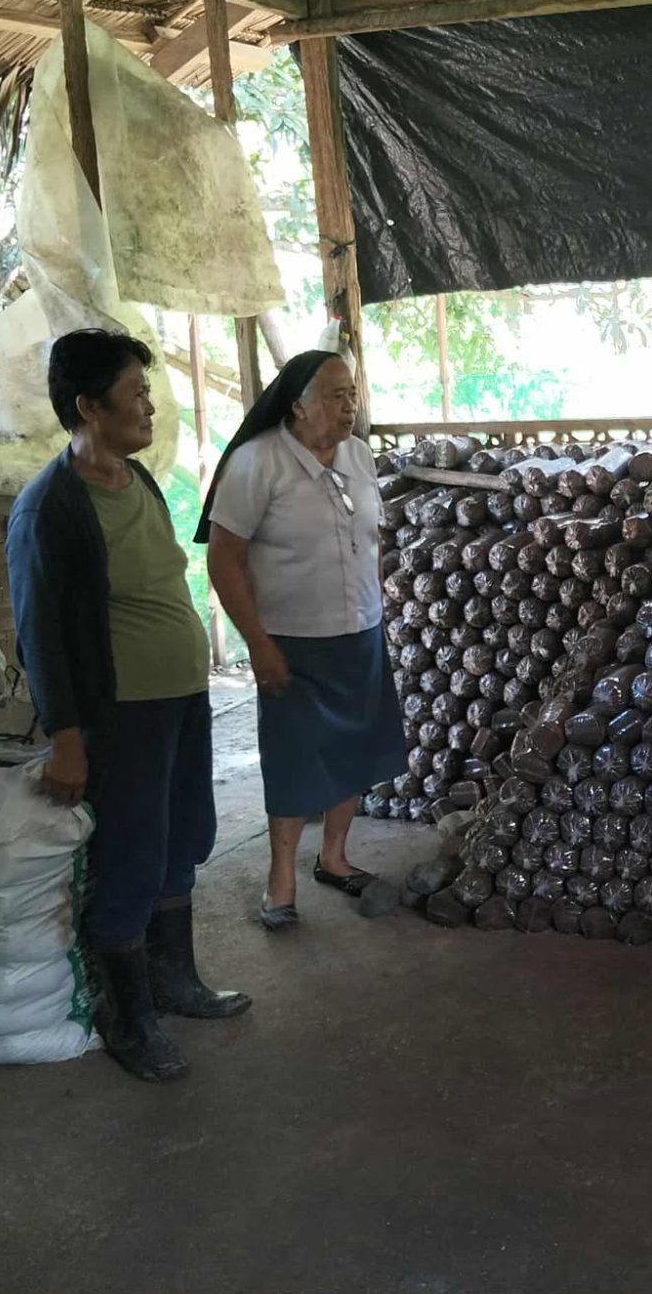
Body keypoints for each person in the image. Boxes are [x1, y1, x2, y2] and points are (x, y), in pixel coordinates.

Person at [7, 328, 251, 1085]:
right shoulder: (51, 507)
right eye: (135, 393)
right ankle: (128, 1015)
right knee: (132, 854)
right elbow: (41, 629)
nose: (149, 405)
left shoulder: (136, 478)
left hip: (181, 696)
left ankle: (175, 978)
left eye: (147, 391)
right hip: (125, 712)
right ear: (87, 406)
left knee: (185, 834)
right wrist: (67, 736)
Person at [198, 351, 404, 929]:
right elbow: (224, 559)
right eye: (336, 396)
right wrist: (258, 644)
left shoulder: (359, 457)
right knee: (294, 760)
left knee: (358, 750)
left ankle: (335, 858)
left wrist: (375, 601)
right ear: (298, 405)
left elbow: (371, 539)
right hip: (292, 641)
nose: (350, 405)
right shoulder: (256, 463)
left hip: (358, 631)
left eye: (352, 394)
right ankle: (279, 879)